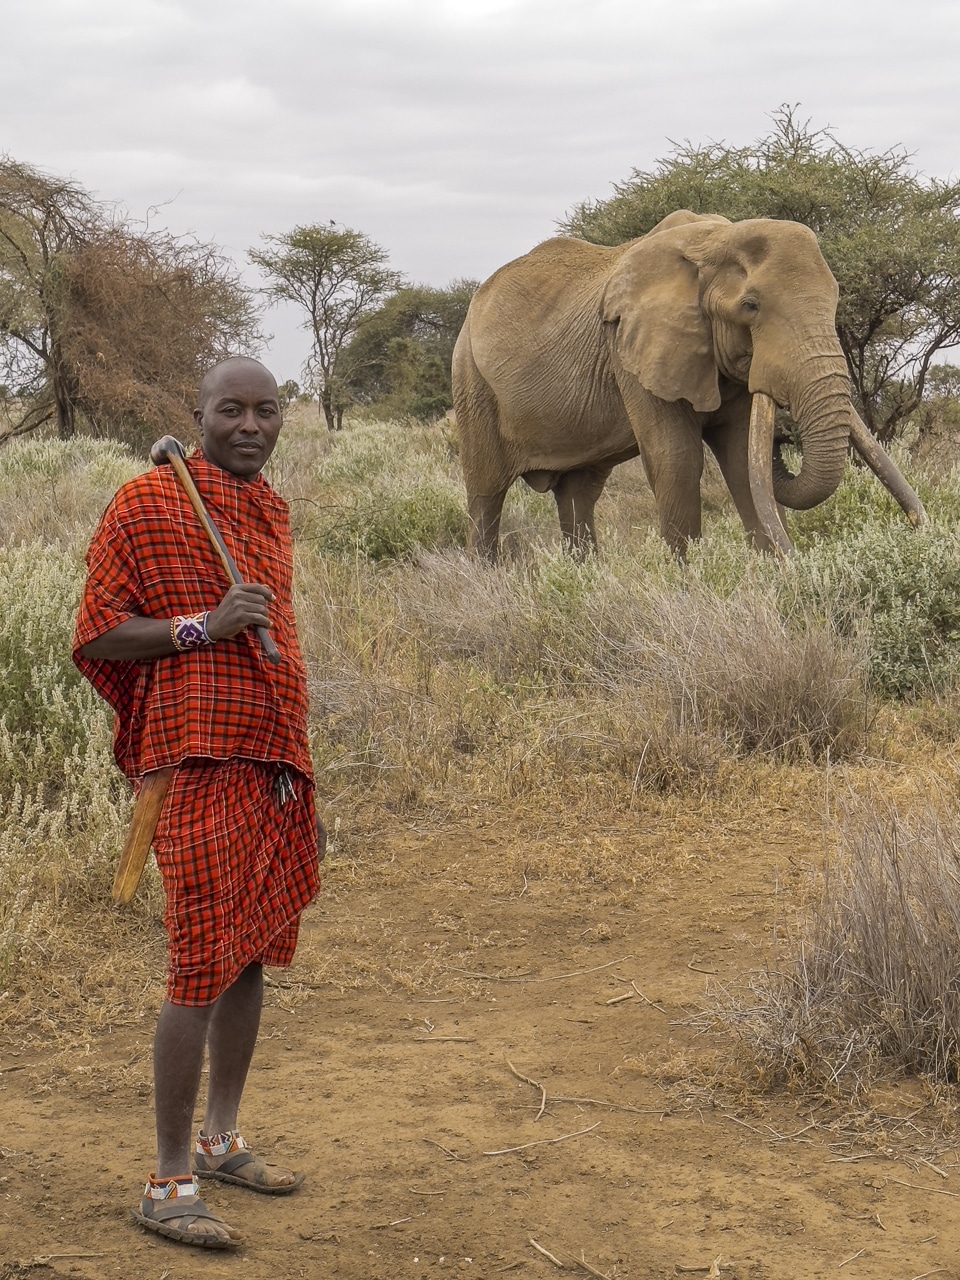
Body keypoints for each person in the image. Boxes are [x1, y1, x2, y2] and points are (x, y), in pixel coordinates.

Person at [73, 356, 324, 1250]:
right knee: (196, 963)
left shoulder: (269, 511)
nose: (250, 425)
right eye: (231, 410)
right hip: (197, 761)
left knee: (250, 950)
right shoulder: (148, 503)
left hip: (269, 758)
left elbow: (277, 641)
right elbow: (98, 629)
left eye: (265, 411)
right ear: (200, 414)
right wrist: (202, 627)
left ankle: (220, 1141)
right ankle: (168, 1178)